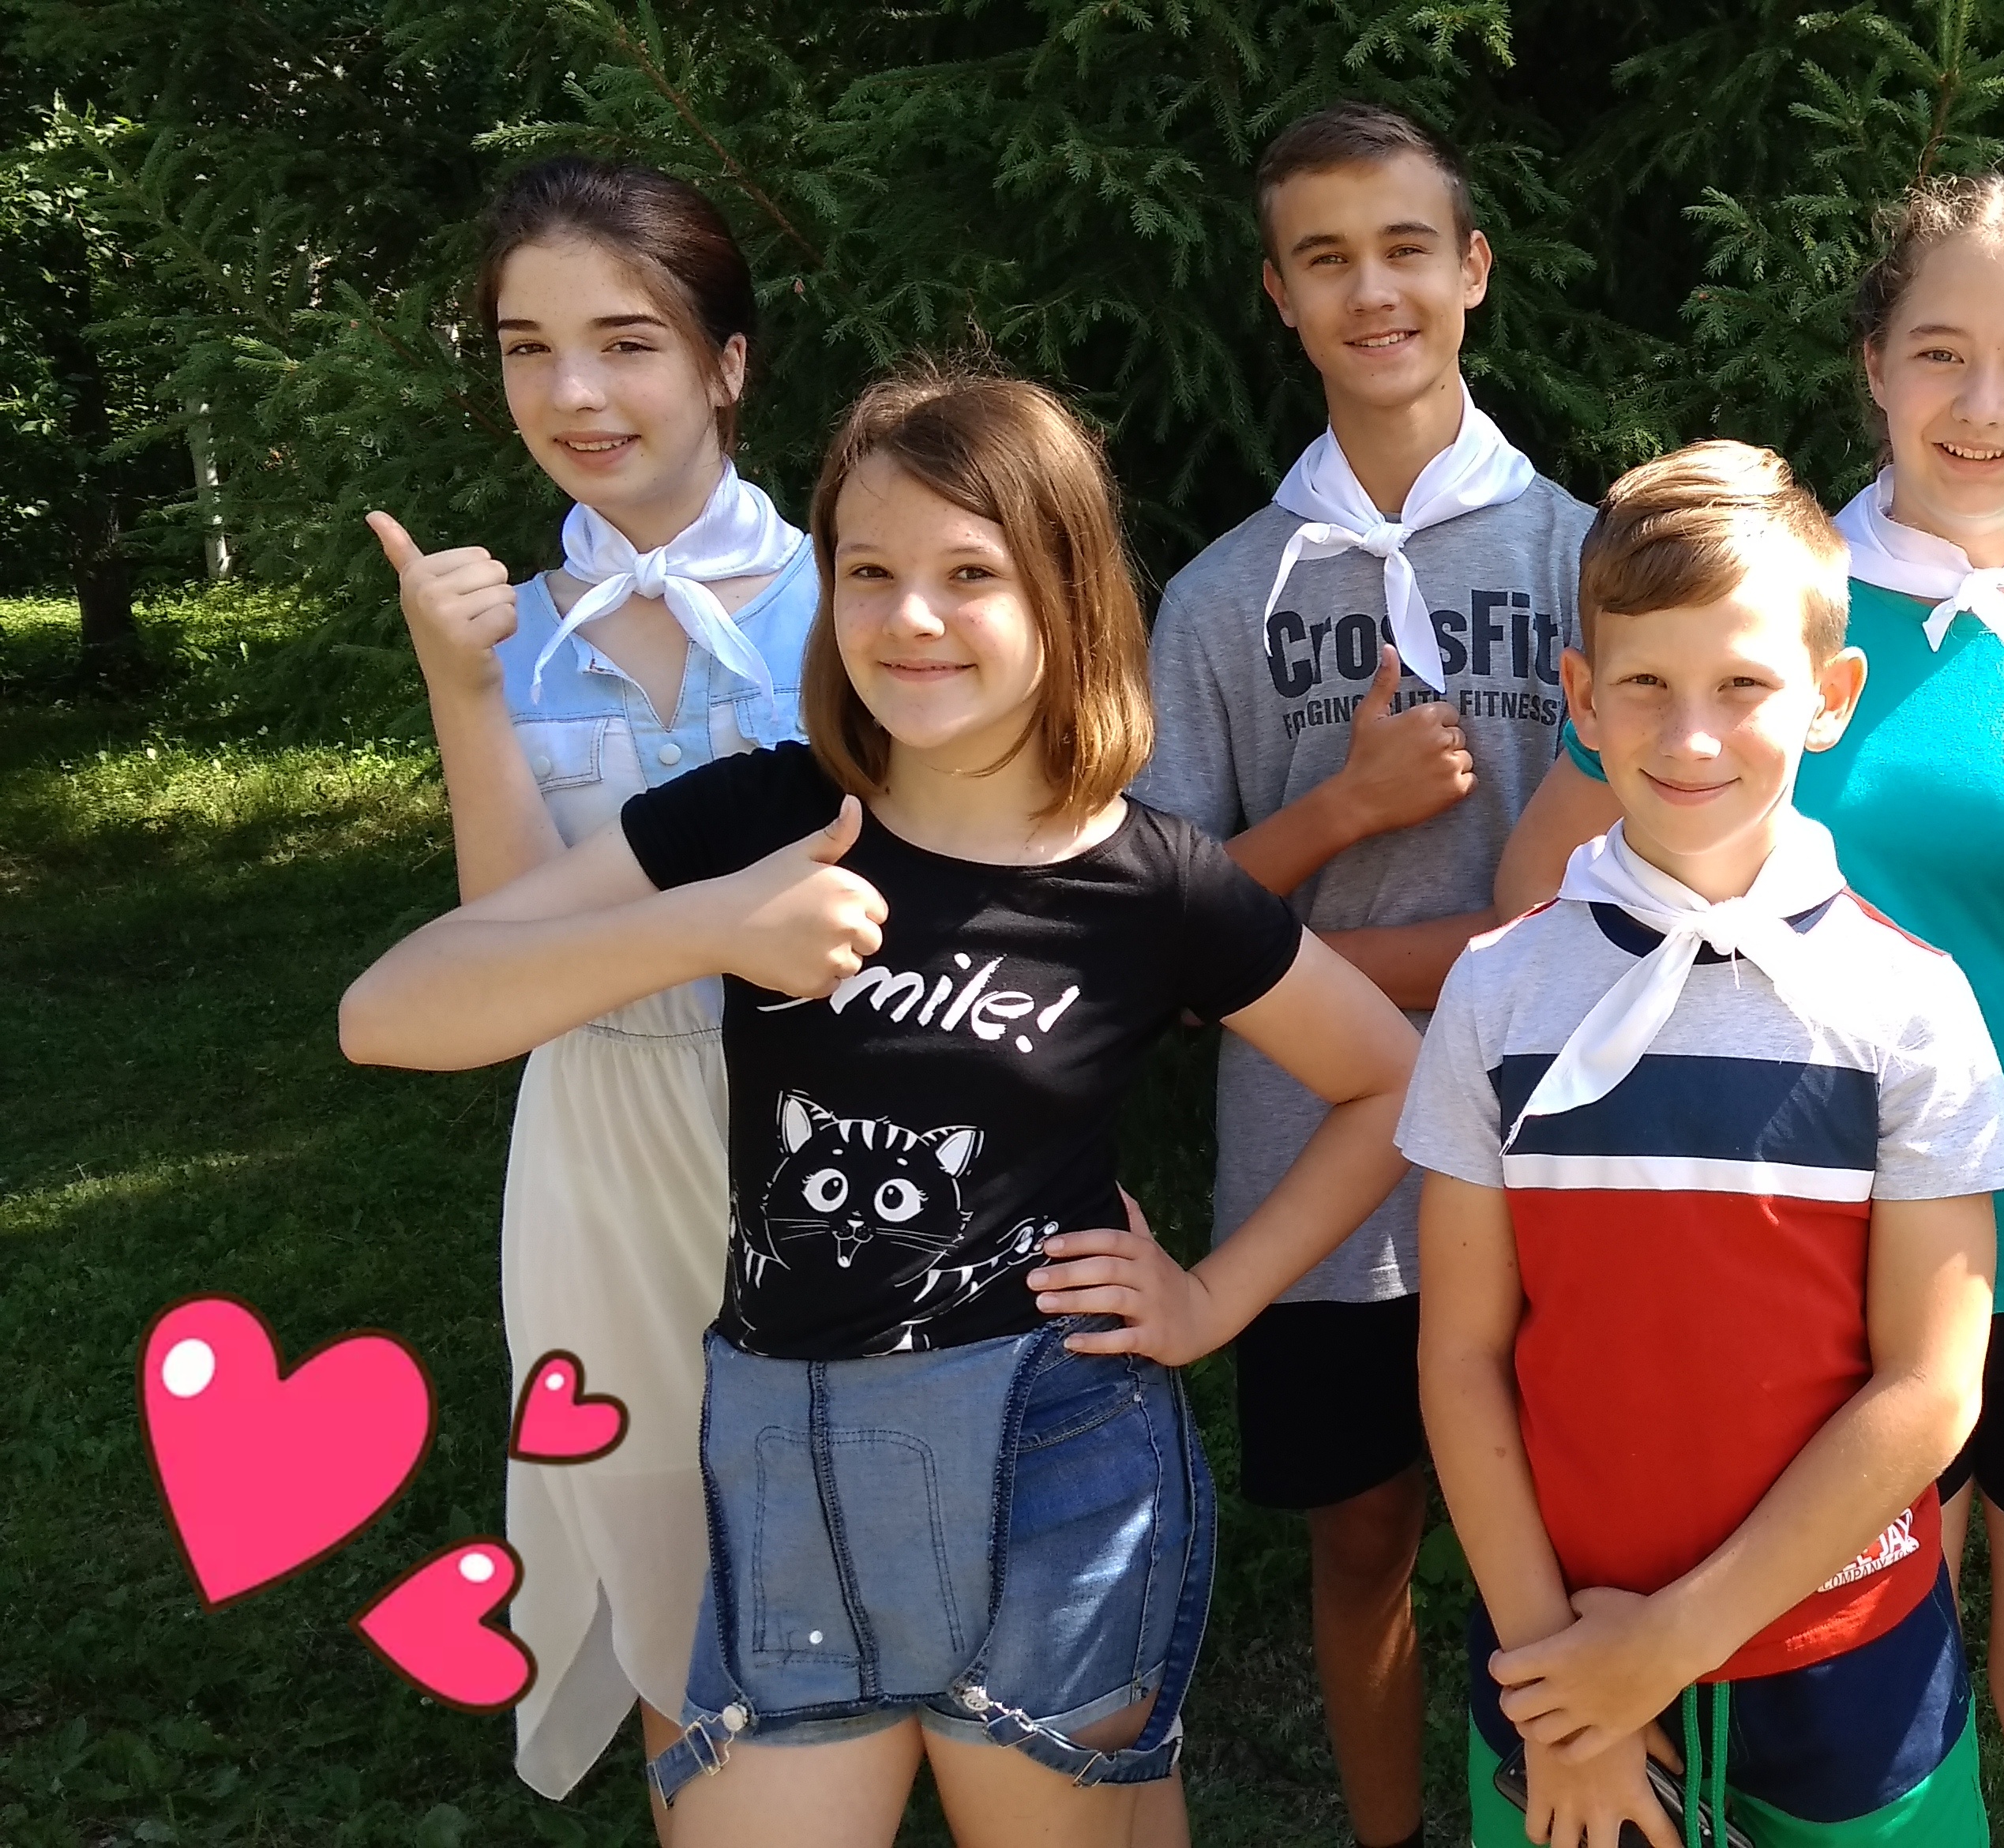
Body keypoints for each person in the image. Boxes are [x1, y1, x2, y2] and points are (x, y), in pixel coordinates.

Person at [341, 363, 1421, 1848]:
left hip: (1055, 1461)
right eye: (868, 572)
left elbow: (1386, 1078)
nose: (911, 617)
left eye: (970, 573)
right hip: (786, 1469)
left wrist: (1215, 1299)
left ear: (1066, 595)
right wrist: (712, 925)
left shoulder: (1150, 879)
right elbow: (390, 1013)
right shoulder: (767, 813)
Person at [1496, 171, 2004, 1846]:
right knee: (1827, 1757)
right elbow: (1539, 908)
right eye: (1940, 352)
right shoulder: (1744, 621)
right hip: (1803, 1301)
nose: (1983, 404)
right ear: (1872, 361)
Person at [1409, 440, 2004, 1848]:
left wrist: (1670, 1645)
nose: (1692, 737)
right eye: (1645, 686)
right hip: (1556, 1657)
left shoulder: (1913, 1003)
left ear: (1831, 696)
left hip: (1847, 1669)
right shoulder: (1497, 995)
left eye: (1743, 685)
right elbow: (1460, 1357)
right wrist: (1572, 1694)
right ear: (1581, 700)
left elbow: (1932, 1384)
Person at [1128, 99, 1592, 1848]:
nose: (1371, 291)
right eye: (1325, 259)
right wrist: (1340, 810)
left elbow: (1637, 890)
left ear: (1473, 269)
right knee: (1365, 1538)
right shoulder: (1220, 599)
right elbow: (1158, 932)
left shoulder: (1589, 559)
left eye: (1406, 248)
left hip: (1567, 1141)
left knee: (1580, 1529)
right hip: (1321, 1163)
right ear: (1278, 294)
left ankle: (1583, 1810)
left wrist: (1344, 959)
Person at [360, 154, 820, 1816]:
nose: (573, 394)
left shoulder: (873, 598)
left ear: (726, 362)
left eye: (627, 343)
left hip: (837, 1130)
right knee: (659, 1567)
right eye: (526, 348)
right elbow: (504, 956)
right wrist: (462, 685)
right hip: (600, 1153)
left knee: (873, 1543)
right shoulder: (502, 628)